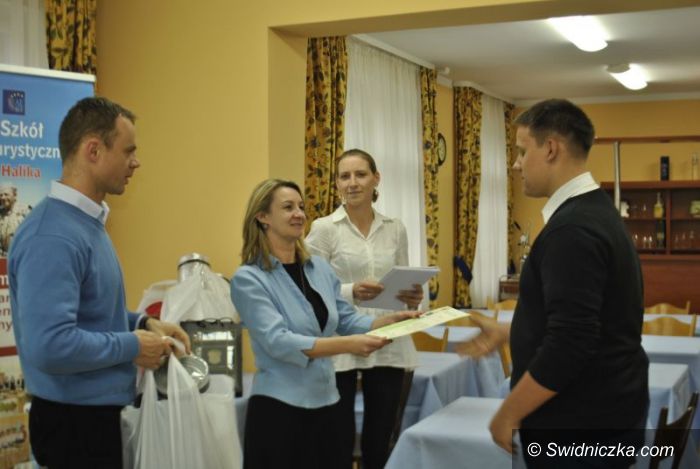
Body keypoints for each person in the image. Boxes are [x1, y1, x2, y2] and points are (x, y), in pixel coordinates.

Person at [459, 99, 648, 468]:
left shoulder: (572, 230)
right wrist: (513, 332)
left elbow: (571, 342)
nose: (516, 164)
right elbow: (590, 319)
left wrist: (508, 413)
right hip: (604, 414)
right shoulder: (594, 211)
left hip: (578, 426)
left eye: (521, 151)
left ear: (550, 148)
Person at [9, 97, 191, 469]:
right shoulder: (52, 236)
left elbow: (91, 311)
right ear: (93, 150)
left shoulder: (84, 224)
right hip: (72, 426)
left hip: (91, 420)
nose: (136, 162)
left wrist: (144, 323)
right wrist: (132, 346)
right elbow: (51, 345)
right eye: (128, 151)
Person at [230, 178, 419, 469]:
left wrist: (385, 322)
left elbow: (346, 318)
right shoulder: (249, 278)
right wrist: (348, 345)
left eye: (301, 207)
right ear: (263, 217)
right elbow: (278, 341)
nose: (299, 214)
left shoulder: (318, 268)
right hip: (279, 411)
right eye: (288, 207)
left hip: (328, 405)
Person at [305, 148, 423, 469]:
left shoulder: (395, 228)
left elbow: (403, 283)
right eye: (345, 176)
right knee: (338, 440)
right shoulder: (324, 228)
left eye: (360, 174)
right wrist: (351, 291)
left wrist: (412, 297)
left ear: (376, 179)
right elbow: (310, 291)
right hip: (340, 340)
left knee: (380, 439)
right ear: (337, 184)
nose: (352, 183)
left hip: (387, 338)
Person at [0, 183, 31, 256]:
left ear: (15, 195)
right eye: (1, 195)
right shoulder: (1, 213)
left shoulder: (26, 211)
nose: (3, 198)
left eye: (6, 194)